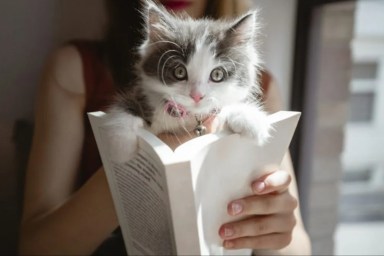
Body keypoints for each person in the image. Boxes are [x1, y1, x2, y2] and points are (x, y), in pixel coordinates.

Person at [19, 0, 311, 255]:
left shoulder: (261, 91)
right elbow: (34, 249)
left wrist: (276, 228)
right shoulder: (74, 70)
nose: (197, 95)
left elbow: (296, 247)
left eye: (217, 75)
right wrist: (136, 171)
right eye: (179, 72)